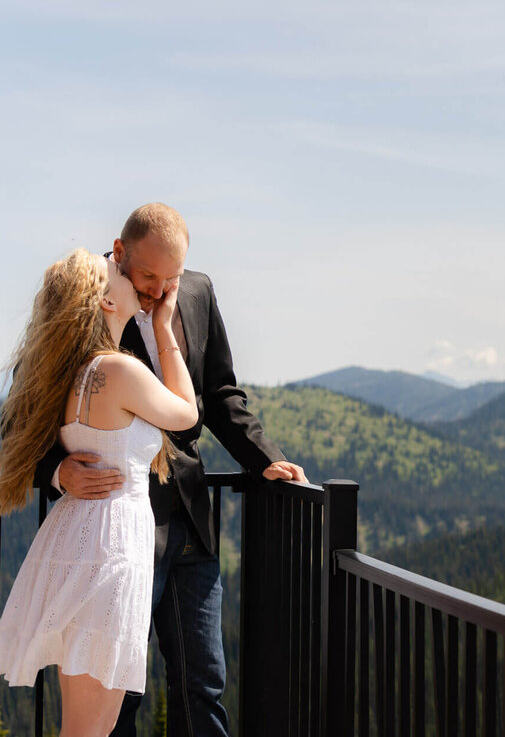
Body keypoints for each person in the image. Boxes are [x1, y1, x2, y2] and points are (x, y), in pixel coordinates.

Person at [32, 203, 307, 737]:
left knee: (203, 683)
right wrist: (58, 473)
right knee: (121, 691)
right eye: (148, 276)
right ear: (119, 253)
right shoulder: (89, 294)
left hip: (191, 525)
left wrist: (265, 459)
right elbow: (33, 404)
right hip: (117, 532)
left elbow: (221, 393)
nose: (161, 290)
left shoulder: (199, 292)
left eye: (172, 277)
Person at [0, 249, 198, 737]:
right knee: (89, 727)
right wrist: (164, 330)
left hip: (81, 538)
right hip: (113, 547)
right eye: (119, 274)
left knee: (85, 723)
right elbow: (187, 414)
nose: (125, 277)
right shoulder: (119, 372)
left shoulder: (67, 375)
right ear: (104, 302)